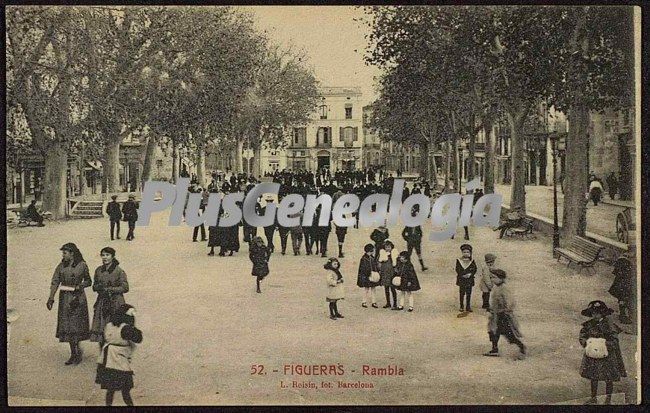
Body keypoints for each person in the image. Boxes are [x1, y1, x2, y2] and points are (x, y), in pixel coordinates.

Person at [47, 243, 92, 365]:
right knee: (68, 326)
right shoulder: (61, 266)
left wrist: (80, 286)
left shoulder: (82, 265)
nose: (63, 255)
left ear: (72, 253)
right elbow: (55, 281)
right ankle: (73, 353)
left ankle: (77, 351)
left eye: (65, 253)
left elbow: (89, 281)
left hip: (78, 298)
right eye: (63, 253)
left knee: (76, 325)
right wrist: (51, 297)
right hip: (65, 299)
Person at [579, 300, 627, 405]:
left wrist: (604, 344)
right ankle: (593, 398)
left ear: (602, 313)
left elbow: (614, 339)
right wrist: (587, 342)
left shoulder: (609, 325)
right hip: (593, 355)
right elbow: (582, 336)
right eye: (593, 313)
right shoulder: (588, 325)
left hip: (607, 356)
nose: (595, 315)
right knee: (593, 376)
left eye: (597, 312)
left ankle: (608, 399)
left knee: (608, 377)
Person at [95, 304, 143, 406]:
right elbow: (138, 338)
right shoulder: (126, 328)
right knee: (125, 391)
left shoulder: (108, 325)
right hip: (119, 362)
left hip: (107, 361)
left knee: (110, 391)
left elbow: (103, 341)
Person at [90, 247, 129, 349]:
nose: (105, 257)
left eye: (107, 255)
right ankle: (103, 356)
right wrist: (98, 287)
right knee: (101, 329)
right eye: (103, 255)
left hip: (116, 303)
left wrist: (111, 289)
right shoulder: (98, 270)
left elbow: (125, 287)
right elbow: (94, 286)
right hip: (102, 303)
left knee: (113, 329)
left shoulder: (119, 271)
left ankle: (112, 356)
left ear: (113, 256)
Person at [483, 269, 526, 359]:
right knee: (493, 331)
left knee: (507, 333)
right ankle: (494, 349)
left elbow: (510, 302)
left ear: (501, 278)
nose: (492, 279)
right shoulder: (496, 288)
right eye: (491, 277)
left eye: (494, 277)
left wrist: (506, 310)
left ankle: (521, 347)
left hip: (502, 315)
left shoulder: (504, 289)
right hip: (495, 315)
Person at [608, 256, 635, 325]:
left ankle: (625, 314)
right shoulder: (624, 261)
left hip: (624, 284)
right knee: (624, 299)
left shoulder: (623, 260)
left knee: (625, 299)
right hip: (623, 285)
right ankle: (624, 315)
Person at [401, 206, 428, 271]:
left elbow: (421, 232)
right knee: (409, 254)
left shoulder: (418, 225)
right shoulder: (408, 225)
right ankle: (407, 267)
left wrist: (419, 238)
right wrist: (407, 239)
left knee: (419, 253)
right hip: (410, 241)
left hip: (416, 241)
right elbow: (403, 233)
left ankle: (422, 266)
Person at [455, 244, 477, 315]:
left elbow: (474, 269)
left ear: (470, 253)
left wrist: (470, 274)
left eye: (467, 252)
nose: (466, 253)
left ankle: (468, 306)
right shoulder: (459, 260)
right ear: (462, 253)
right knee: (461, 293)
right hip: (462, 280)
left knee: (469, 293)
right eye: (464, 252)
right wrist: (462, 275)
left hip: (469, 280)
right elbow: (457, 269)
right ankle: (461, 306)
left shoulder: (472, 261)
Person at [357, 243, 380, 308]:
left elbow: (375, 266)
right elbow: (363, 268)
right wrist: (368, 274)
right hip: (367, 276)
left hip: (372, 276)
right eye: (372, 251)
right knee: (366, 289)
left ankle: (374, 302)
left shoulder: (371, 258)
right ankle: (364, 302)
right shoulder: (364, 258)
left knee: (373, 289)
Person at [378, 239, 398, 309]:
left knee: (392, 289)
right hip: (385, 273)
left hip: (391, 273)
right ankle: (388, 303)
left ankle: (395, 304)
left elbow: (395, 264)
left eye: (389, 247)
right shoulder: (382, 255)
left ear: (391, 247)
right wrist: (380, 270)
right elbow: (379, 264)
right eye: (386, 247)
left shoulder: (394, 255)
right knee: (386, 288)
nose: (388, 248)